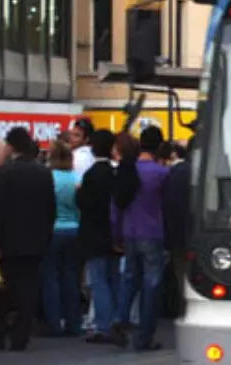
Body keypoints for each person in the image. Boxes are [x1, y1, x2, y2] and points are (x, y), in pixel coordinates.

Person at [0, 127, 56, 351]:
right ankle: (20, 336)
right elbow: (50, 209)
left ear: (11, 146)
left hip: (8, 242)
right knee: (28, 289)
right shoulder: (43, 173)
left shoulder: (4, 173)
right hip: (35, 242)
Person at [111, 126, 172, 351]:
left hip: (129, 231)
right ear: (159, 146)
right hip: (153, 233)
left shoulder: (127, 170)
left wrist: (116, 231)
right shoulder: (162, 173)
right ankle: (144, 337)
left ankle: (120, 318)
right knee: (151, 285)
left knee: (129, 279)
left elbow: (116, 204)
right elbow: (168, 207)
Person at [77, 130, 118, 343]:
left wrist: (79, 193)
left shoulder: (92, 174)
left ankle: (104, 325)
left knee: (98, 281)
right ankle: (116, 320)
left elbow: (85, 203)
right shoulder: (114, 174)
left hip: (94, 234)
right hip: (112, 234)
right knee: (112, 279)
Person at [42, 142, 81, 336]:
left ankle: (54, 322)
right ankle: (74, 322)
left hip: (54, 230)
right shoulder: (76, 178)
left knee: (51, 278)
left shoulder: (49, 178)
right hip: (74, 230)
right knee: (71, 277)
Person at [162, 138, 193, 319]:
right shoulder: (205, 171)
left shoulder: (176, 172)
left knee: (181, 274)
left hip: (178, 233)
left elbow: (169, 204)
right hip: (201, 232)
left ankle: (184, 310)